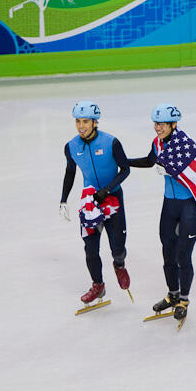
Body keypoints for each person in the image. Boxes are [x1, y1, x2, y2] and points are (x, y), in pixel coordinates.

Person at [128, 103, 196, 320]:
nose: (157, 128)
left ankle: (184, 300)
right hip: (169, 205)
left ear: (173, 124)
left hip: (189, 205)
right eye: (155, 123)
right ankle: (172, 294)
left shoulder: (186, 144)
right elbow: (150, 161)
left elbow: (194, 174)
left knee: (183, 254)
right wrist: (125, 162)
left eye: (162, 124)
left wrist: (171, 169)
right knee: (167, 251)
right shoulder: (157, 143)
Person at [60, 100, 131, 304]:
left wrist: (108, 189)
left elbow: (125, 169)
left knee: (117, 248)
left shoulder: (111, 142)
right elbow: (70, 172)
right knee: (90, 248)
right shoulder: (71, 146)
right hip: (90, 202)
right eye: (77, 121)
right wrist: (63, 200)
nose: (81, 126)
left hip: (113, 199)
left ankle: (119, 265)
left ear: (95, 123)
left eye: (85, 121)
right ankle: (98, 286)